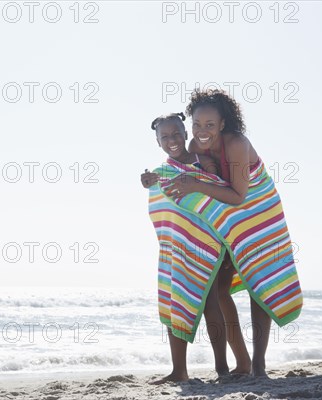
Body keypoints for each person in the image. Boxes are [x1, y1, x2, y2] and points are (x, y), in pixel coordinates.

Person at [163, 88, 275, 377]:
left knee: (257, 285)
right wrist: (159, 177)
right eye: (197, 125)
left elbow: (238, 195)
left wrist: (197, 184)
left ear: (223, 124)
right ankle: (243, 362)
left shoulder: (236, 144)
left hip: (257, 213)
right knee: (222, 288)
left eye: (209, 125)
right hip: (226, 218)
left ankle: (259, 364)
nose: (202, 131)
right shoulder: (198, 145)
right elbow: (190, 169)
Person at [143, 112, 230, 383]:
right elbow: (163, 208)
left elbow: (218, 195)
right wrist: (149, 182)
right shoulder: (160, 173)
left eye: (176, 134)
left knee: (210, 302)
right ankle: (179, 371)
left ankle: (222, 369)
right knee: (174, 299)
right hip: (176, 246)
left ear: (185, 134)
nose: (172, 140)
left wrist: (198, 181)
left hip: (207, 242)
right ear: (158, 142)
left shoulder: (204, 162)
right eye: (165, 137)